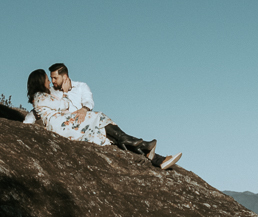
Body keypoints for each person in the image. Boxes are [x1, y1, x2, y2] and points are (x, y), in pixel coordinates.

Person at [25, 69, 182, 170]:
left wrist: (83, 109)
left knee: (105, 130)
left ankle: (154, 157)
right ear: (40, 82)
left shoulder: (79, 87)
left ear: (64, 77)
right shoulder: (44, 96)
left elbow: (87, 102)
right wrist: (64, 93)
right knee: (100, 119)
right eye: (48, 79)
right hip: (67, 125)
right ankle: (145, 147)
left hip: (74, 123)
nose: (50, 82)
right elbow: (61, 105)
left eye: (53, 78)